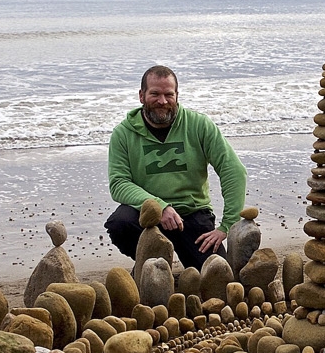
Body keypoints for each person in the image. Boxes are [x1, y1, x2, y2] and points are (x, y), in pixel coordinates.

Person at [105, 65, 247, 271]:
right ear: (141, 96)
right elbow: (119, 183)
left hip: (192, 214)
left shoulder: (199, 125)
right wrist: (159, 207)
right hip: (148, 218)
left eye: (168, 94)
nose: (162, 101)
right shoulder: (123, 133)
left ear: (177, 95)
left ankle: (168, 260)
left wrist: (228, 226)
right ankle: (152, 259)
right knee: (120, 223)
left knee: (217, 273)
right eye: (154, 93)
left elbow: (233, 170)